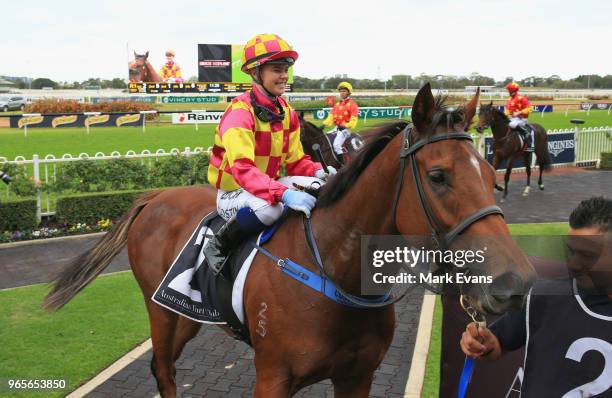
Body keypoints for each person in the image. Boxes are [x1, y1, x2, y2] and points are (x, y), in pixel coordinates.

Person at [203, 33, 337, 275]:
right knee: (270, 209)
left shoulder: (287, 112)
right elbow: (243, 171)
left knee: (319, 185)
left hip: (267, 185)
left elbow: (296, 162)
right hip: (234, 192)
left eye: (286, 69)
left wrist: (317, 170)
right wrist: (283, 194)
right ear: (256, 73)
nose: (284, 75)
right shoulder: (239, 114)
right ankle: (218, 245)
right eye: (277, 69)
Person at [460, 196, 612, 397]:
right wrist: (482, 344)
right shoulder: (544, 296)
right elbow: (497, 345)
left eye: (587, 255)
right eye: (570, 251)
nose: (573, 263)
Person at [321, 81, 359, 164]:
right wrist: (324, 124)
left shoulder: (353, 105)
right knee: (325, 139)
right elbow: (331, 116)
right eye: (341, 91)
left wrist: (345, 126)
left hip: (346, 130)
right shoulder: (337, 104)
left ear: (349, 92)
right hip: (337, 128)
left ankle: (343, 164)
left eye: (344, 91)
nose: (342, 93)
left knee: (336, 145)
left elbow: (353, 120)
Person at [504, 82, 534, 151]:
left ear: (513, 91)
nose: (508, 92)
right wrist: (505, 115)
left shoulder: (521, 98)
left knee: (511, 124)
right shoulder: (510, 100)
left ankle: (525, 132)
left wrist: (519, 112)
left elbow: (530, 108)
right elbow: (507, 111)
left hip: (522, 119)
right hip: (513, 119)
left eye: (509, 90)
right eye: (508, 90)